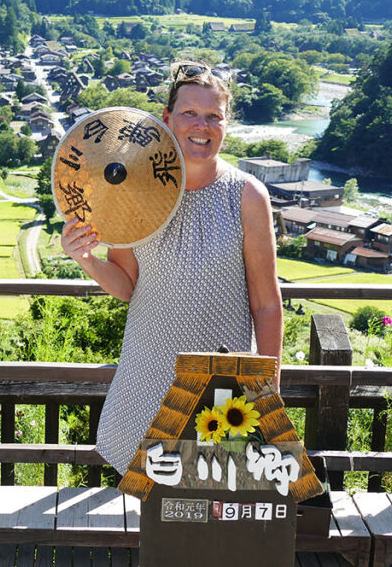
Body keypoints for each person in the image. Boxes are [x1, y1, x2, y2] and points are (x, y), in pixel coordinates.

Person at [60, 61, 283, 475]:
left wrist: (267, 393)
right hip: (146, 375)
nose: (202, 125)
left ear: (226, 123)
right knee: (151, 511)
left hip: (222, 384)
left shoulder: (248, 196)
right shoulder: (132, 187)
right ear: (166, 118)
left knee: (215, 506)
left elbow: (267, 304)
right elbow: (127, 285)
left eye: (213, 115)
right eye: (189, 113)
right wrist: (84, 258)